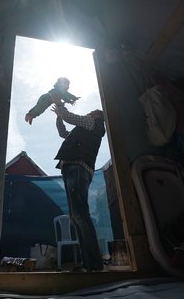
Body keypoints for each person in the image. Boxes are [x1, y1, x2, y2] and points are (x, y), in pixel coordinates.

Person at [51, 102, 106, 272]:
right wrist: (59, 116)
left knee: (80, 215)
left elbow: (70, 117)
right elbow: (63, 133)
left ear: (97, 115)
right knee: (77, 216)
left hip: (77, 166)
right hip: (74, 168)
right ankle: (89, 264)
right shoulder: (84, 130)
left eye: (92, 111)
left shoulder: (92, 122)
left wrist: (61, 107)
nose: (89, 113)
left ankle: (94, 264)